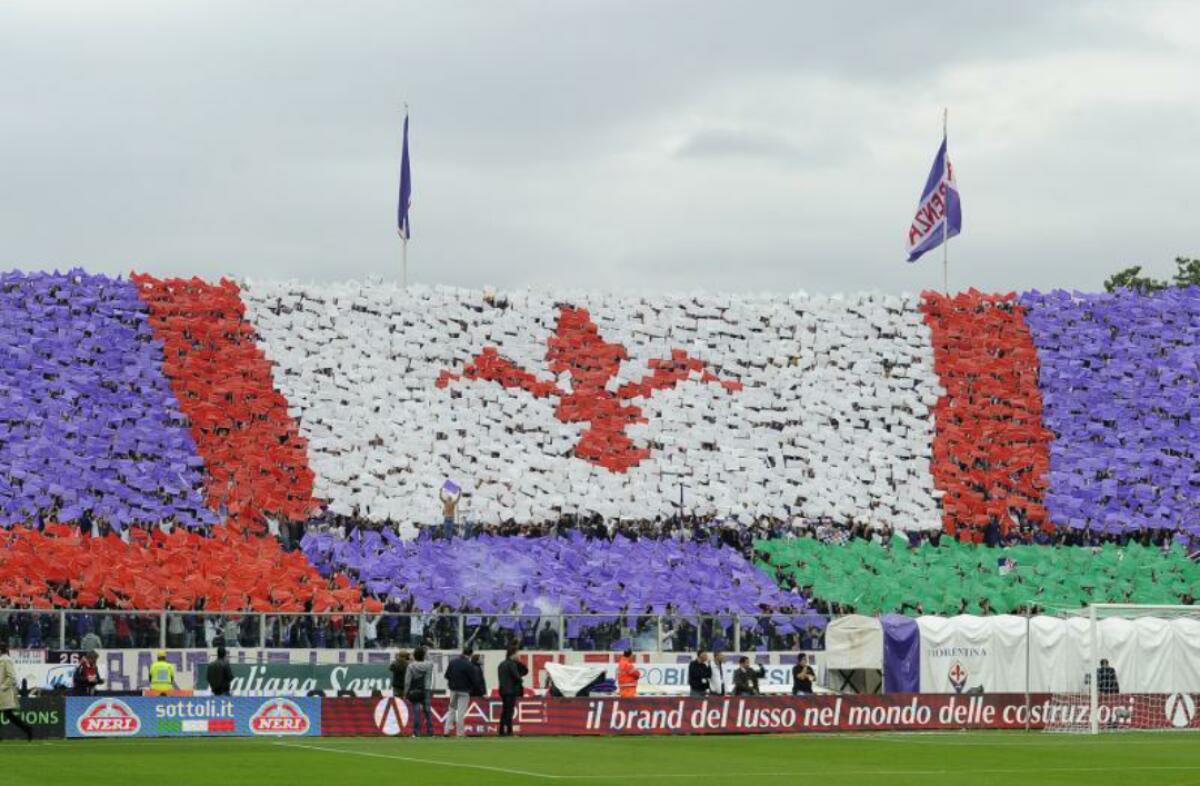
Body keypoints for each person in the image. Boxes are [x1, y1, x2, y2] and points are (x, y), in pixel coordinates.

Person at [0, 643, 34, 740]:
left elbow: (12, 677)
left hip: (4, 693)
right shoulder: (2, 660)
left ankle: (27, 728)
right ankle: (27, 728)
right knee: (10, 715)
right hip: (2, 693)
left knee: (9, 715)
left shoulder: (6, 660)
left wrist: (2, 687)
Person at [444, 647, 477, 737]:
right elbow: (473, 680)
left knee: (451, 710)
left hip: (453, 690)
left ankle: (446, 731)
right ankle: (460, 733)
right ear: (470, 654)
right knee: (461, 712)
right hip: (464, 691)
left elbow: (446, 676)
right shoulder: (469, 665)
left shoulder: (453, 662)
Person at [497, 645, 528, 737]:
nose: (518, 655)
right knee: (509, 711)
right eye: (517, 654)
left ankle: (502, 730)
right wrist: (520, 680)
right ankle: (509, 731)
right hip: (510, 691)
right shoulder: (512, 664)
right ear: (512, 654)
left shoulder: (501, 664)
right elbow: (518, 675)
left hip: (503, 690)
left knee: (505, 711)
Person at [404, 646, 434, 737]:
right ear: (424, 656)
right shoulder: (429, 665)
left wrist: (405, 693)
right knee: (427, 711)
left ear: (415, 656)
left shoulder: (411, 666)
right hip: (426, 689)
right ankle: (430, 732)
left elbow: (407, 681)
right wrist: (426, 651)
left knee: (416, 711)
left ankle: (416, 732)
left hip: (415, 690)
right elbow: (430, 660)